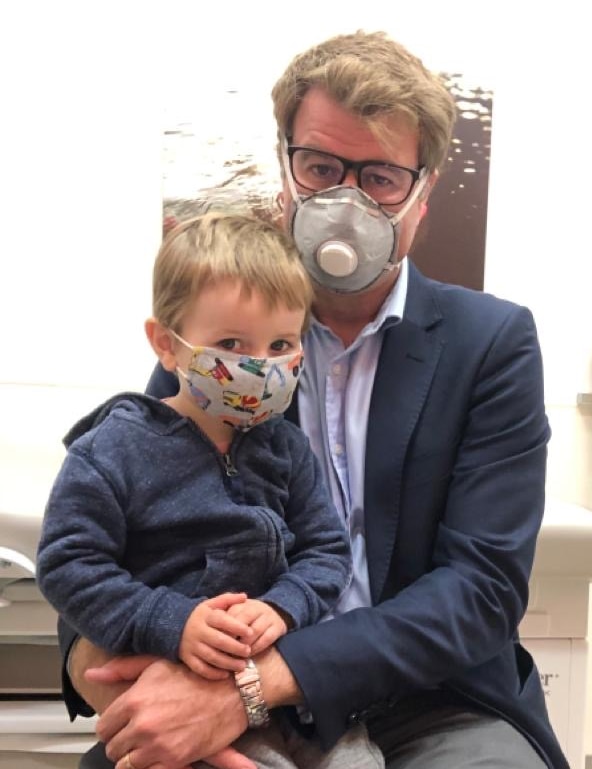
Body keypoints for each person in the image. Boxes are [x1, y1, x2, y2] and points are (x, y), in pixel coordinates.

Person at [60, 30, 570, 769]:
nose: (345, 200)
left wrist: (251, 687)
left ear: (421, 198)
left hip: (435, 695)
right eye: (321, 166)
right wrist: (117, 678)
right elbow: (112, 538)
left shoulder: (490, 342)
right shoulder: (223, 340)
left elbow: (482, 590)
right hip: (227, 674)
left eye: (381, 178)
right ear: (285, 172)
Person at [39, 213, 384, 769]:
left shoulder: (286, 448)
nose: (261, 366)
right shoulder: (111, 450)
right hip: (173, 685)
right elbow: (66, 565)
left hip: (290, 693)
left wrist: (283, 607)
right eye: (230, 343)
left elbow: (325, 552)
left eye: (280, 344)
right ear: (165, 344)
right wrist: (170, 622)